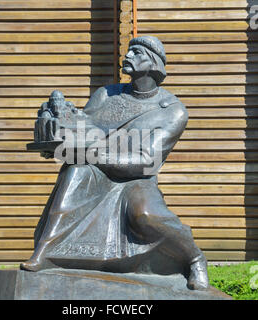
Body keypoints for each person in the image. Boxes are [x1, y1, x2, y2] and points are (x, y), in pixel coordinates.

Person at [20, 36, 209, 290]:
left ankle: (194, 258)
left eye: (137, 52)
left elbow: (146, 161)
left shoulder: (172, 111)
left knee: (146, 214)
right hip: (97, 170)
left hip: (136, 180)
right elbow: (81, 129)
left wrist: (89, 152)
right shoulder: (106, 95)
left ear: (153, 62)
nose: (128, 55)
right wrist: (56, 127)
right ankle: (45, 252)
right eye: (128, 50)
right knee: (74, 172)